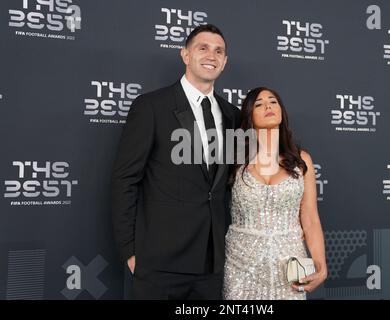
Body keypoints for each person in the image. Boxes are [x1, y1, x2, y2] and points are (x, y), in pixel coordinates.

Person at [111, 24, 240, 300]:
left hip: (212, 264)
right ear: (185, 55)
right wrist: (129, 251)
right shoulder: (151, 107)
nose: (211, 56)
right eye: (202, 48)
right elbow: (125, 180)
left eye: (219, 51)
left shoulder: (233, 115)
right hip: (159, 263)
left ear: (225, 62)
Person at [223, 87, 327, 300]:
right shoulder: (234, 160)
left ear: (282, 112)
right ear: (249, 116)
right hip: (241, 266)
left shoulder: (302, 160)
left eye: (273, 101)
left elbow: (310, 218)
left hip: (289, 267)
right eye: (259, 104)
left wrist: (320, 264)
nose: (268, 106)